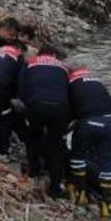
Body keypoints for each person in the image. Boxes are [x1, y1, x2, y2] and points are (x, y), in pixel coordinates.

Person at [17, 44, 72, 198]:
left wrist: (25, 105)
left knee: (33, 135)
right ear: (54, 55)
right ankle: (56, 186)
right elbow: (69, 90)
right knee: (55, 146)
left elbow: (21, 86)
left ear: (39, 54)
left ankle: (34, 169)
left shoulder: (30, 63)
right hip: (60, 107)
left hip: (37, 105)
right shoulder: (63, 66)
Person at [66, 64, 111, 218]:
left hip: (90, 122)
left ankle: (81, 194)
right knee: (106, 163)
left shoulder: (71, 84)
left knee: (78, 157)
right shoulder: (97, 81)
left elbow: (70, 110)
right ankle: (106, 205)